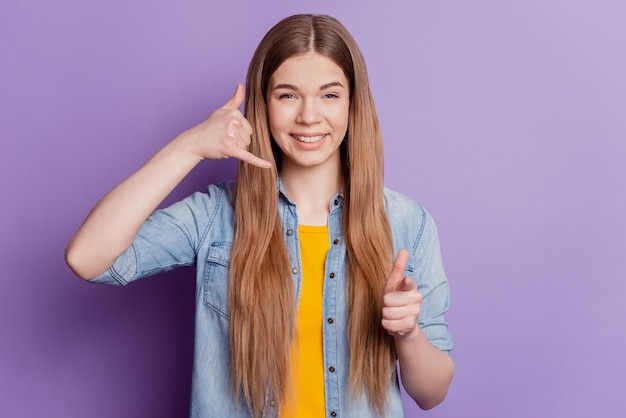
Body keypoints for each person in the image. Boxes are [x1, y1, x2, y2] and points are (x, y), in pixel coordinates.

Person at [65, 13, 454, 418]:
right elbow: (87, 257)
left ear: (353, 103)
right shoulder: (215, 216)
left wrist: (407, 334)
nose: (308, 115)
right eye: (287, 95)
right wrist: (189, 147)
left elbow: (432, 392)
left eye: (329, 95)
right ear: (262, 104)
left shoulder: (409, 223)